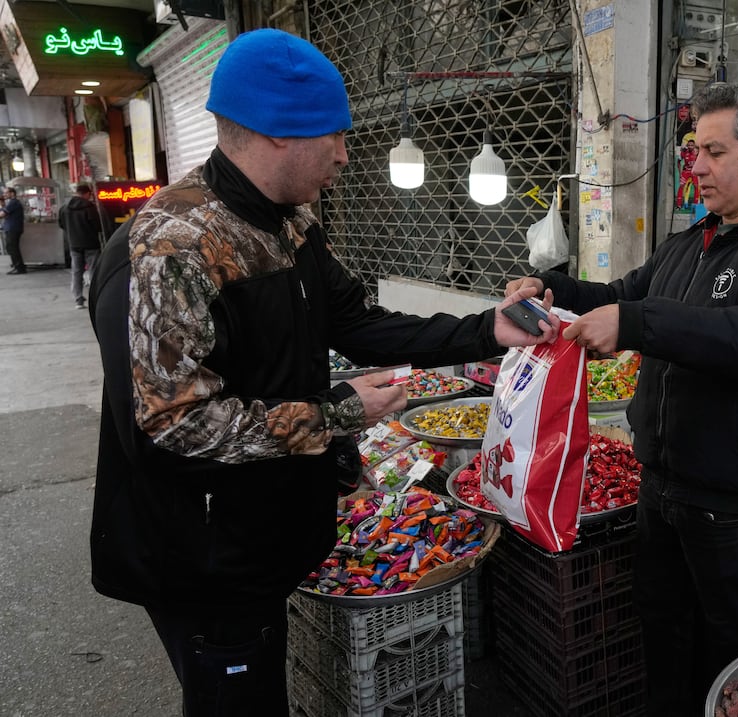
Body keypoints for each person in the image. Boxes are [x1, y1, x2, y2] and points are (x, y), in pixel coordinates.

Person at [86, 28, 558, 717]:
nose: (344, 153)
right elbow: (173, 424)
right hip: (203, 556)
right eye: (334, 135)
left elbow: (359, 323)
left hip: (261, 541)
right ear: (278, 132)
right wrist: (335, 413)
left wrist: (488, 327)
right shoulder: (170, 248)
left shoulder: (291, 224)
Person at [505, 82, 738, 713]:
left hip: (728, 497)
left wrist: (634, 325)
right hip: (658, 481)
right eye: (694, 150)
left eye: (713, 151)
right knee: (662, 629)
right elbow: (620, 291)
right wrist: (549, 288)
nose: (697, 166)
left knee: (732, 653)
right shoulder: (693, 241)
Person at [59, 183, 103, 309]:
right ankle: (95, 298)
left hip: (74, 244)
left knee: (76, 271)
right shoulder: (90, 207)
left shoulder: (64, 208)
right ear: (87, 193)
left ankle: (78, 299)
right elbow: (97, 226)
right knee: (94, 271)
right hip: (91, 243)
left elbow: (61, 224)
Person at [1, 187, 25, 274]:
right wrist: (2, 204)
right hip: (11, 228)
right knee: (10, 247)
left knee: (13, 248)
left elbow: (2, 214)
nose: (4, 195)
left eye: (6, 193)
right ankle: (16, 265)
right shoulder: (10, 203)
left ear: (12, 193)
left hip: (13, 228)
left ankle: (19, 268)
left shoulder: (14, 203)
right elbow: (3, 211)